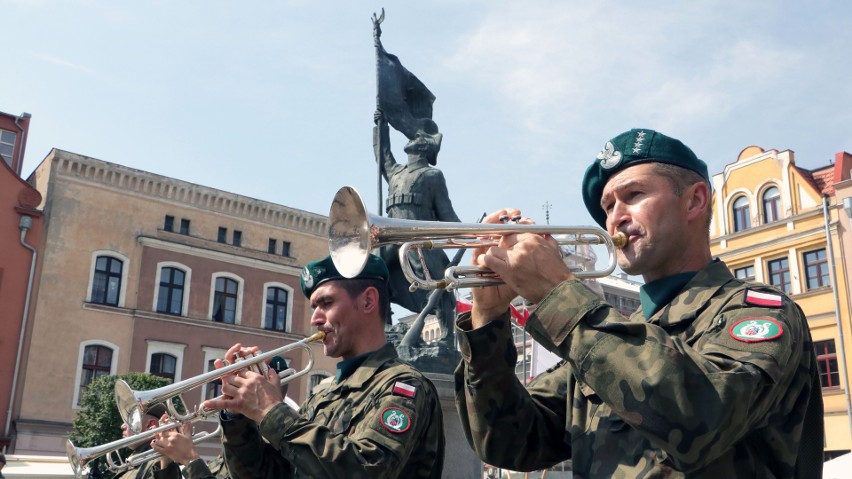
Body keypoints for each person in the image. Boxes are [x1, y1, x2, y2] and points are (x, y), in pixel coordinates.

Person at [454, 128, 824, 478]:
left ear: (694, 200)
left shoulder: (757, 311)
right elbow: (509, 442)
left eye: (633, 195)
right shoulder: (612, 335)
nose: (615, 217)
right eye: (608, 205)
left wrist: (558, 295)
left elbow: (700, 416)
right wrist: (488, 318)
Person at [202, 254, 445, 478]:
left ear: (368, 301)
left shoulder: (403, 386)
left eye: (326, 303)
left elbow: (366, 469)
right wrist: (237, 418)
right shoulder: (322, 396)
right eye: (314, 307)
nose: (315, 319)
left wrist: (271, 410)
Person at [374, 107, 460, 343]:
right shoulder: (396, 173)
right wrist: (380, 127)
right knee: (373, 274)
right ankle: (383, 325)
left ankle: (446, 338)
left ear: (424, 146)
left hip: (418, 240)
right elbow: (383, 155)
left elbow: (446, 213)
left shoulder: (433, 176)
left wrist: (474, 233)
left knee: (437, 282)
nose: (411, 137)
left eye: (417, 136)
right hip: (390, 237)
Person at [150, 356, 294, 479]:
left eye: (245, 380)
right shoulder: (233, 445)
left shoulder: (282, 449)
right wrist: (167, 462)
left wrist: (189, 460)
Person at [115, 404, 180, 479]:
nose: (122, 426)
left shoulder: (158, 462)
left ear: (150, 425)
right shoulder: (131, 463)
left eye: (130, 420)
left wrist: (165, 462)